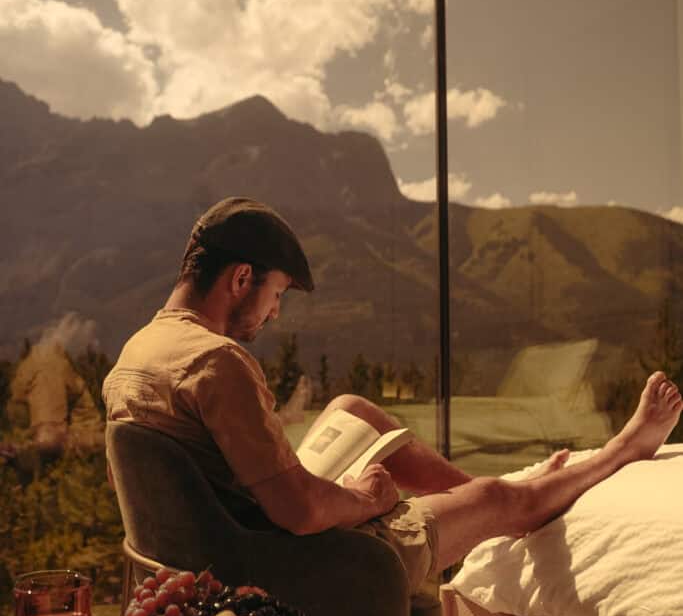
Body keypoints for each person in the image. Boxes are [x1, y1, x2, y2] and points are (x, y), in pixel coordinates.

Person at [102, 196, 683, 593]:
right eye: (277, 293)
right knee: (496, 499)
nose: (276, 312)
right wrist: (365, 498)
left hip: (238, 538)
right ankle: (616, 453)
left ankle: (490, 498)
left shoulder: (140, 352)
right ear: (241, 279)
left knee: (352, 410)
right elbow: (301, 512)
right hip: (297, 564)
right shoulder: (217, 361)